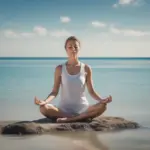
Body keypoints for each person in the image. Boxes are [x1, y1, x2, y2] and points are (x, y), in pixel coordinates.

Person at [34, 36, 112, 123]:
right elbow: (54, 92)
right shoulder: (59, 68)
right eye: (70, 47)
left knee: (103, 106)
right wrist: (44, 101)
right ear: (66, 49)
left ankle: (70, 119)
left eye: (76, 47)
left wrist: (102, 100)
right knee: (43, 108)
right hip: (63, 110)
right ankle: (78, 118)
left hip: (83, 108)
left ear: (79, 48)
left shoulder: (86, 68)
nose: (73, 49)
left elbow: (91, 91)